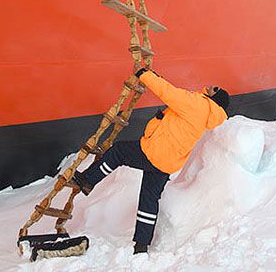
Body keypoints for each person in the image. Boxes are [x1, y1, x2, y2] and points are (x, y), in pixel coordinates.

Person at [71, 68, 230, 255]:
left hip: (155, 152)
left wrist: (144, 74)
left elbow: (168, 92)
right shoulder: (206, 114)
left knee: (118, 152)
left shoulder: (199, 104)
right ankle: (141, 245)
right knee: (149, 199)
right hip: (168, 163)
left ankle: (88, 180)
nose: (210, 86)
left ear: (215, 98)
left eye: (215, 88)